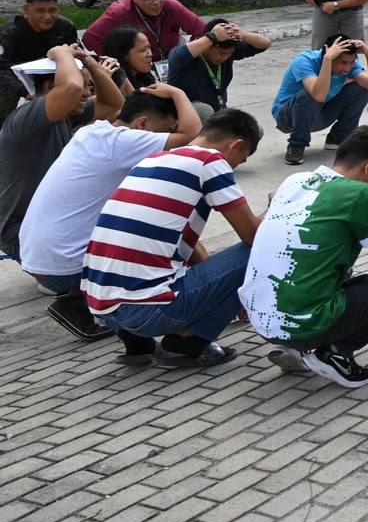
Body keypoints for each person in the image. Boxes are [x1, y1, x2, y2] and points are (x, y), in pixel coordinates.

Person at [82, 109, 264, 368]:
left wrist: (219, 291)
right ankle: (188, 343)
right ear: (237, 144)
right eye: (240, 159)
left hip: (104, 309)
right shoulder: (210, 161)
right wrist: (276, 210)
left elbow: (182, 243)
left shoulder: (152, 160)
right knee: (261, 252)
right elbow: (253, 236)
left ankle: (138, 344)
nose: (235, 166)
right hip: (148, 311)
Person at [17, 86, 199, 340]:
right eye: (167, 130)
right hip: (63, 268)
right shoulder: (123, 141)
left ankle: (76, 302)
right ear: (143, 123)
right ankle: (147, 318)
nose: (169, 137)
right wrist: (178, 92)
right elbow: (191, 134)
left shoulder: (92, 131)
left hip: (39, 259)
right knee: (154, 235)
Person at [239, 125, 368, 389]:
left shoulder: (294, 181)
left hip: (262, 319)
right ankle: (335, 352)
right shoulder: (361, 195)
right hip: (303, 323)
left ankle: (296, 348)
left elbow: (325, 218)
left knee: (321, 263)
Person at [1, 47, 125, 264]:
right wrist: (61, 53)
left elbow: (114, 103)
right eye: (84, 88)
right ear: (50, 87)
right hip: (25, 235)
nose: (87, 93)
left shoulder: (65, 113)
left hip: (54, 225)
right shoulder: (27, 118)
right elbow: (71, 87)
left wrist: (89, 62)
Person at [271, 34, 368, 166]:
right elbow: (318, 96)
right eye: (343, 63)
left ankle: (338, 139)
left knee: (361, 89)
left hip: (319, 113)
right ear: (329, 55)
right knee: (309, 95)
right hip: (288, 118)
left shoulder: (349, 65)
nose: (347, 68)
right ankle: (296, 144)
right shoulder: (304, 61)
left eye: (351, 62)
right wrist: (327, 60)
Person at [83, 0, 205, 61]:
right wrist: (118, 61)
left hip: (172, 58)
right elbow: (90, 39)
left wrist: (188, 54)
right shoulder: (119, 12)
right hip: (135, 64)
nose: (157, 2)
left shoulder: (171, 5)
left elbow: (202, 30)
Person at [164, 19, 271, 116]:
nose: (225, 57)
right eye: (221, 53)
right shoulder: (187, 56)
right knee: (204, 110)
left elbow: (264, 44)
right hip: (184, 114)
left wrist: (240, 34)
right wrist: (212, 36)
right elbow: (176, 57)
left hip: (218, 113)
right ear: (208, 45)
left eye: (229, 54)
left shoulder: (228, 52)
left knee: (250, 128)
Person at [0, 0, 81, 115]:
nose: (47, 16)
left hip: (55, 75)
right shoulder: (10, 33)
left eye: (52, 10)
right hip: (17, 77)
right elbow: (1, 68)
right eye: (40, 11)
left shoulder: (65, 27)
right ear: (26, 10)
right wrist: (25, 91)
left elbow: (79, 54)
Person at [100, 25, 159, 92]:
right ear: (123, 54)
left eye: (149, 48)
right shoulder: (115, 83)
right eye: (143, 50)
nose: (150, 54)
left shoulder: (146, 78)